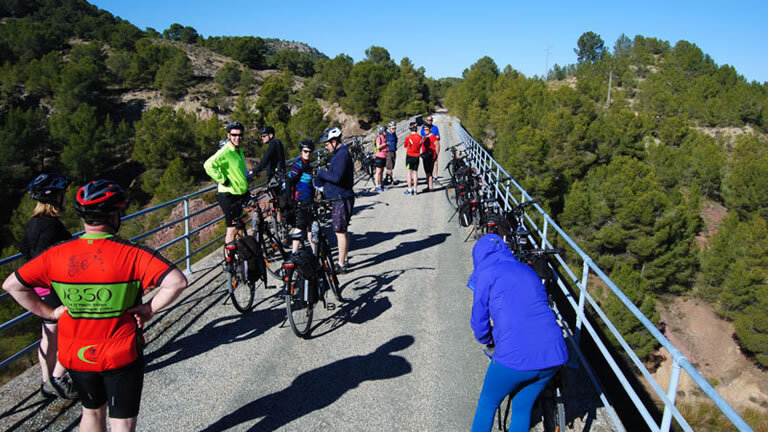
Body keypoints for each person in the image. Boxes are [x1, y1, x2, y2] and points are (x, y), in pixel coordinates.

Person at [3, 180, 188, 432]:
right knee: (121, 421)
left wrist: (50, 312)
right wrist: (149, 309)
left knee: (91, 412)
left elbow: (12, 285)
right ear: (114, 215)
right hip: (121, 352)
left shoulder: (55, 253)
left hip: (76, 353)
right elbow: (177, 282)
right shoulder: (133, 253)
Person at [467, 234, 568, 432]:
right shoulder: (527, 269)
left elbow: (479, 320)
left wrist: (488, 339)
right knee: (522, 408)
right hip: (555, 354)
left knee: (488, 403)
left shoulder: (487, 273)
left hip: (516, 356)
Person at [18, 173, 78, 399]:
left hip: (39, 288)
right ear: (55, 198)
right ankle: (59, 378)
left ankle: (47, 382)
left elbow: (25, 250)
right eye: (62, 194)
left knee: (49, 335)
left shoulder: (33, 223)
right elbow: (49, 257)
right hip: (54, 288)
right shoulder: (50, 226)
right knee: (71, 333)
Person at [204, 121, 250, 272]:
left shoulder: (239, 151)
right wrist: (223, 179)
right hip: (228, 195)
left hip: (239, 193)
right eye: (234, 135)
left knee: (240, 225)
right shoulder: (226, 151)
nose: (238, 138)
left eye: (240, 135)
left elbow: (239, 172)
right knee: (231, 228)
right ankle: (228, 261)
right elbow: (208, 165)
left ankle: (239, 254)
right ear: (229, 135)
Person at [315, 127, 354, 273]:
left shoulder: (342, 155)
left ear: (334, 141)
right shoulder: (340, 154)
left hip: (341, 198)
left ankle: (341, 264)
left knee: (339, 232)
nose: (325, 147)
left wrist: (321, 173)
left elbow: (336, 177)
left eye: (326, 144)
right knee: (342, 231)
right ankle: (345, 260)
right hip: (342, 197)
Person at [285, 139, 317, 254]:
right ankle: (294, 254)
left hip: (308, 200)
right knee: (302, 227)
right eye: (305, 151)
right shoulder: (298, 165)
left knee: (309, 227)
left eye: (310, 152)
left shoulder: (307, 165)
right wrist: (291, 201)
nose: (308, 154)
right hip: (301, 202)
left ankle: (314, 253)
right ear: (301, 151)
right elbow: (289, 182)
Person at [402, 122, 422, 196]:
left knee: (408, 173)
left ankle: (410, 189)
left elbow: (405, 145)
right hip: (417, 156)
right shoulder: (420, 137)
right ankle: (415, 190)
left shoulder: (408, 137)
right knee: (415, 173)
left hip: (409, 156)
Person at [421, 115, 441, 182]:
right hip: (426, 148)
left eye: (430, 120)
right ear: (426, 120)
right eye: (428, 120)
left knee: (435, 162)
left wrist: (434, 137)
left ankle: (435, 177)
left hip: (434, 147)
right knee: (427, 164)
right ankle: (429, 177)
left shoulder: (435, 128)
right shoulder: (423, 127)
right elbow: (422, 137)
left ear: (432, 121)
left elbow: (438, 137)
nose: (429, 121)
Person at [419, 128, 437, 192]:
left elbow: (437, 145)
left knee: (429, 172)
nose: (425, 131)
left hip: (430, 156)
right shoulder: (425, 137)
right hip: (426, 156)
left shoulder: (432, 137)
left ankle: (431, 187)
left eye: (427, 129)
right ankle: (429, 186)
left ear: (430, 129)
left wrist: (436, 156)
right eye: (424, 130)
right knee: (427, 172)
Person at [373, 125, 388, 192]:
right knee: (378, 171)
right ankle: (377, 185)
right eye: (385, 131)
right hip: (379, 156)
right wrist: (385, 144)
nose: (386, 132)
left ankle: (381, 184)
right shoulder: (379, 138)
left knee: (381, 171)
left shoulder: (384, 137)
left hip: (384, 156)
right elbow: (378, 147)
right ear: (382, 132)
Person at [384, 121, 398, 185]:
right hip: (389, 152)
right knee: (389, 167)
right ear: (389, 128)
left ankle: (387, 179)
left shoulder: (394, 134)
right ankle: (390, 180)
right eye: (393, 128)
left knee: (391, 167)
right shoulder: (387, 134)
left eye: (395, 128)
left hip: (393, 151)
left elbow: (396, 140)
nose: (394, 130)